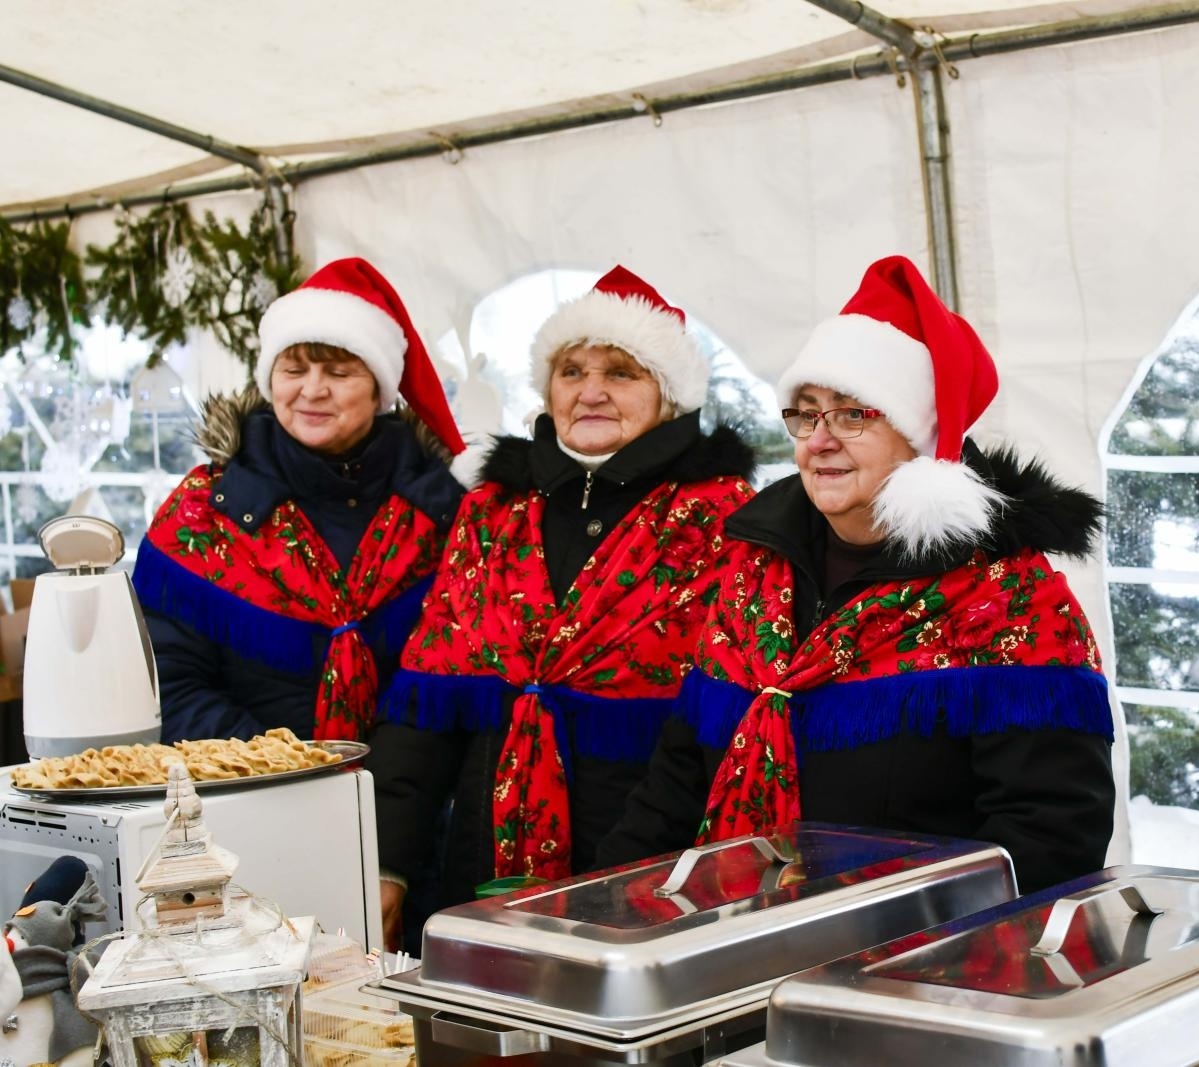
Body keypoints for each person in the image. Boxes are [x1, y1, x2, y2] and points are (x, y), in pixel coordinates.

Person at [596, 255, 1116, 893]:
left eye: (854, 415)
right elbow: (677, 777)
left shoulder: (1006, 601)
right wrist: (607, 905)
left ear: (920, 439)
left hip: (909, 970)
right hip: (730, 948)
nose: (819, 440)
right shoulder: (749, 573)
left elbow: (1051, 837)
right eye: (807, 413)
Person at [367, 266, 755, 948]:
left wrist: (622, 884)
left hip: (650, 872)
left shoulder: (721, 522)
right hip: (483, 871)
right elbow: (424, 712)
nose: (592, 390)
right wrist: (390, 864)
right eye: (572, 370)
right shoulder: (490, 515)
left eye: (622, 372)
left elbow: (719, 737)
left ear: (669, 396)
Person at [133, 258, 466, 744]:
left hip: (407, 803)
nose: (312, 390)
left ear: (379, 391)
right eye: (294, 368)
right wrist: (277, 768)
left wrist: (387, 787)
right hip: (244, 793)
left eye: (339, 371)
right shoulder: (204, 512)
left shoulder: (441, 513)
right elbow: (167, 680)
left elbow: (460, 677)